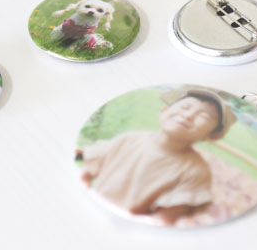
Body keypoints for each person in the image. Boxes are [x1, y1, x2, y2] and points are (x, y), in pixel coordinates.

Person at [79, 88, 237, 225]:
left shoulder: (196, 171)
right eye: (185, 107)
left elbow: (165, 219)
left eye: (204, 117)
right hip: (89, 210)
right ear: (164, 111)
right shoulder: (128, 139)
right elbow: (85, 171)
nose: (188, 115)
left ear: (213, 136)